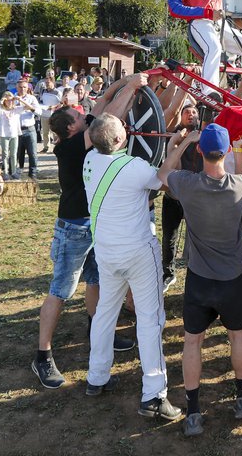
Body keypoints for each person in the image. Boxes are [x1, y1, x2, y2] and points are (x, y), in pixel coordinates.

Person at [31, 75, 145, 390]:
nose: (86, 115)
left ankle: (97, 331)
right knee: (61, 290)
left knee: (96, 281)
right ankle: (43, 355)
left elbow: (103, 101)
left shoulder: (79, 133)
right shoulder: (70, 147)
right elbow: (110, 116)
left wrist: (124, 82)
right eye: (80, 117)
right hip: (73, 228)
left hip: (95, 224)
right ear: (71, 128)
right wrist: (133, 88)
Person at [159, 125, 242, 436]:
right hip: (233, 279)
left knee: (192, 341)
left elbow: (163, 174)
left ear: (200, 152)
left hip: (200, 280)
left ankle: (194, 412)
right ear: (226, 152)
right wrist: (240, 151)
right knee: (238, 337)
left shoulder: (186, 184)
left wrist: (183, 142)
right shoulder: (239, 186)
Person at [82, 113, 180, 422]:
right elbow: (163, 179)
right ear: (120, 140)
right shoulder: (132, 167)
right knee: (151, 320)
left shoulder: (88, 160)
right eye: (123, 128)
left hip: (107, 253)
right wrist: (179, 144)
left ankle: (96, 377)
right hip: (138, 252)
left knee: (105, 314)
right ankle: (154, 394)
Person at [159, 103, 202, 292]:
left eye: (194, 112)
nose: (191, 115)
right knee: (169, 236)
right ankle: (168, 273)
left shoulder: (204, 136)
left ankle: (197, 273)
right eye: (187, 112)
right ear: (181, 117)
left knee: (198, 238)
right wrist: (175, 144)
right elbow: (171, 172)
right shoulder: (173, 135)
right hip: (174, 197)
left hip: (195, 198)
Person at [0, 92, 24, 179]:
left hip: (14, 134)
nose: (9, 102)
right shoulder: (0, 109)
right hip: (4, 134)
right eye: (7, 100)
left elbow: (29, 107)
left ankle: (13, 171)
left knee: (14, 154)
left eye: (11, 100)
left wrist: (19, 99)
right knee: (5, 154)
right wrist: (0, 102)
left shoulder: (16, 109)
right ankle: (6, 172)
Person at [15, 79, 42, 179]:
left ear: (28, 88)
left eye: (24, 87)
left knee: (32, 153)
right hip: (16, 129)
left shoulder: (32, 98)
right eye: (20, 87)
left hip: (29, 128)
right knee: (16, 152)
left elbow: (39, 112)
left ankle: (33, 173)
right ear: (16, 87)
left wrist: (29, 107)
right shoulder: (13, 98)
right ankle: (16, 170)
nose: (22, 89)